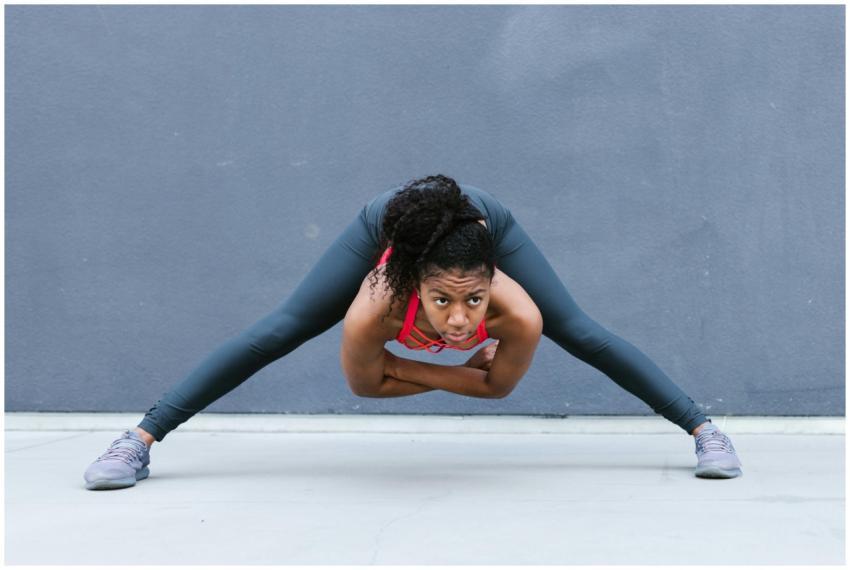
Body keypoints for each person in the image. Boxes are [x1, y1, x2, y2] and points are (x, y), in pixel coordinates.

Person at [83, 175, 742, 490]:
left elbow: (499, 390)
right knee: (282, 327)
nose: (460, 320)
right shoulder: (376, 304)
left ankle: (702, 427)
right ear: (409, 286)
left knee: (578, 329)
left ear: (493, 277)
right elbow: (363, 385)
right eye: (441, 303)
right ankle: (138, 440)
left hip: (481, 221)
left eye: (475, 300)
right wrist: (459, 366)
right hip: (389, 225)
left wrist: (414, 367)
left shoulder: (517, 311)